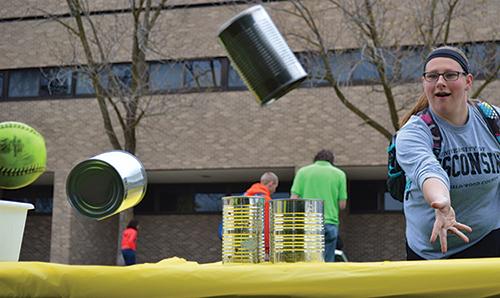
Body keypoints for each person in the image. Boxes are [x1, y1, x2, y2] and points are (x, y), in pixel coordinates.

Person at [397, 46, 500, 260]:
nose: (440, 82)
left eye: (450, 75)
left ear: (468, 81)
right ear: (424, 82)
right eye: (432, 76)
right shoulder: (413, 132)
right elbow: (428, 169)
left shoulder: (493, 121)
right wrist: (441, 201)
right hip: (432, 252)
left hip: (488, 237)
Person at [290, 149, 348, 262]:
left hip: (308, 223)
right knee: (327, 262)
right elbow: (342, 205)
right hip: (330, 222)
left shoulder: (302, 172)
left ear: (315, 159)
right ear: (331, 161)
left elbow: (293, 200)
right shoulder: (339, 174)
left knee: (309, 260)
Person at [244, 172, 279, 260]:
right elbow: (267, 228)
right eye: (276, 186)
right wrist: (268, 250)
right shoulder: (266, 201)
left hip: (243, 248)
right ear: (271, 183)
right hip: (260, 251)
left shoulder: (245, 197)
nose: (275, 189)